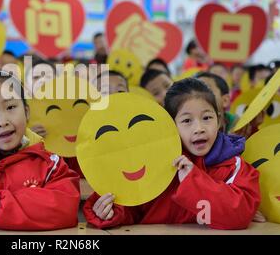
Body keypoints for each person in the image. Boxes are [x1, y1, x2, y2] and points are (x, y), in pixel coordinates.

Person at [84, 78, 260, 230]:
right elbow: (135, 208)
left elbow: (239, 213)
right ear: (169, 125)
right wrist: (111, 212)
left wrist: (193, 181)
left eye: (207, 118)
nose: (199, 129)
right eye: (186, 121)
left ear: (219, 120)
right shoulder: (152, 161)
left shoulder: (234, 165)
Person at [0, 70, 80, 230]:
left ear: (26, 112)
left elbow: (66, 206)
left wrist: (3, 205)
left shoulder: (49, 164)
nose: (2, 121)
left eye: (11, 107)